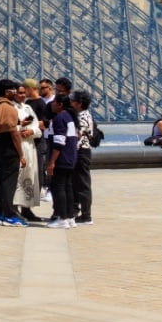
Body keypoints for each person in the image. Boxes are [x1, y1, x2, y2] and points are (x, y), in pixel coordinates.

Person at [0, 78, 28, 227]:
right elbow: (14, 133)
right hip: (8, 147)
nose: (16, 93)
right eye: (13, 90)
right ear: (7, 92)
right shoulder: (9, 108)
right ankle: (9, 215)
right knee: (9, 183)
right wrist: (21, 154)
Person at [44, 93, 79, 229]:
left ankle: (62, 218)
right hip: (70, 157)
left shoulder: (59, 118)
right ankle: (70, 217)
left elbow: (59, 142)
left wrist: (52, 161)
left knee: (58, 188)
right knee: (68, 187)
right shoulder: (70, 117)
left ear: (60, 104)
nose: (51, 105)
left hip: (61, 157)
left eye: (54, 103)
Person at [13, 84, 43, 222]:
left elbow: (37, 127)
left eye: (24, 93)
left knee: (29, 176)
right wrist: (21, 129)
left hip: (30, 145)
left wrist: (31, 131)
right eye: (20, 93)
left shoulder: (28, 108)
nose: (23, 95)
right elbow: (8, 127)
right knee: (18, 178)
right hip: (18, 146)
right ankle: (13, 208)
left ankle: (26, 208)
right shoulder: (11, 108)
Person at [71, 89, 95, 226]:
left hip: (81, 152)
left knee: (83, 184)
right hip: (81, 151)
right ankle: (78, 211)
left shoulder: (82, 117)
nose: (71, 102)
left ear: (79, 104)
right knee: (78, 183)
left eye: (73, 100)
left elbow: (77, 137)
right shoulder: (81, 114)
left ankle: (86, 215)